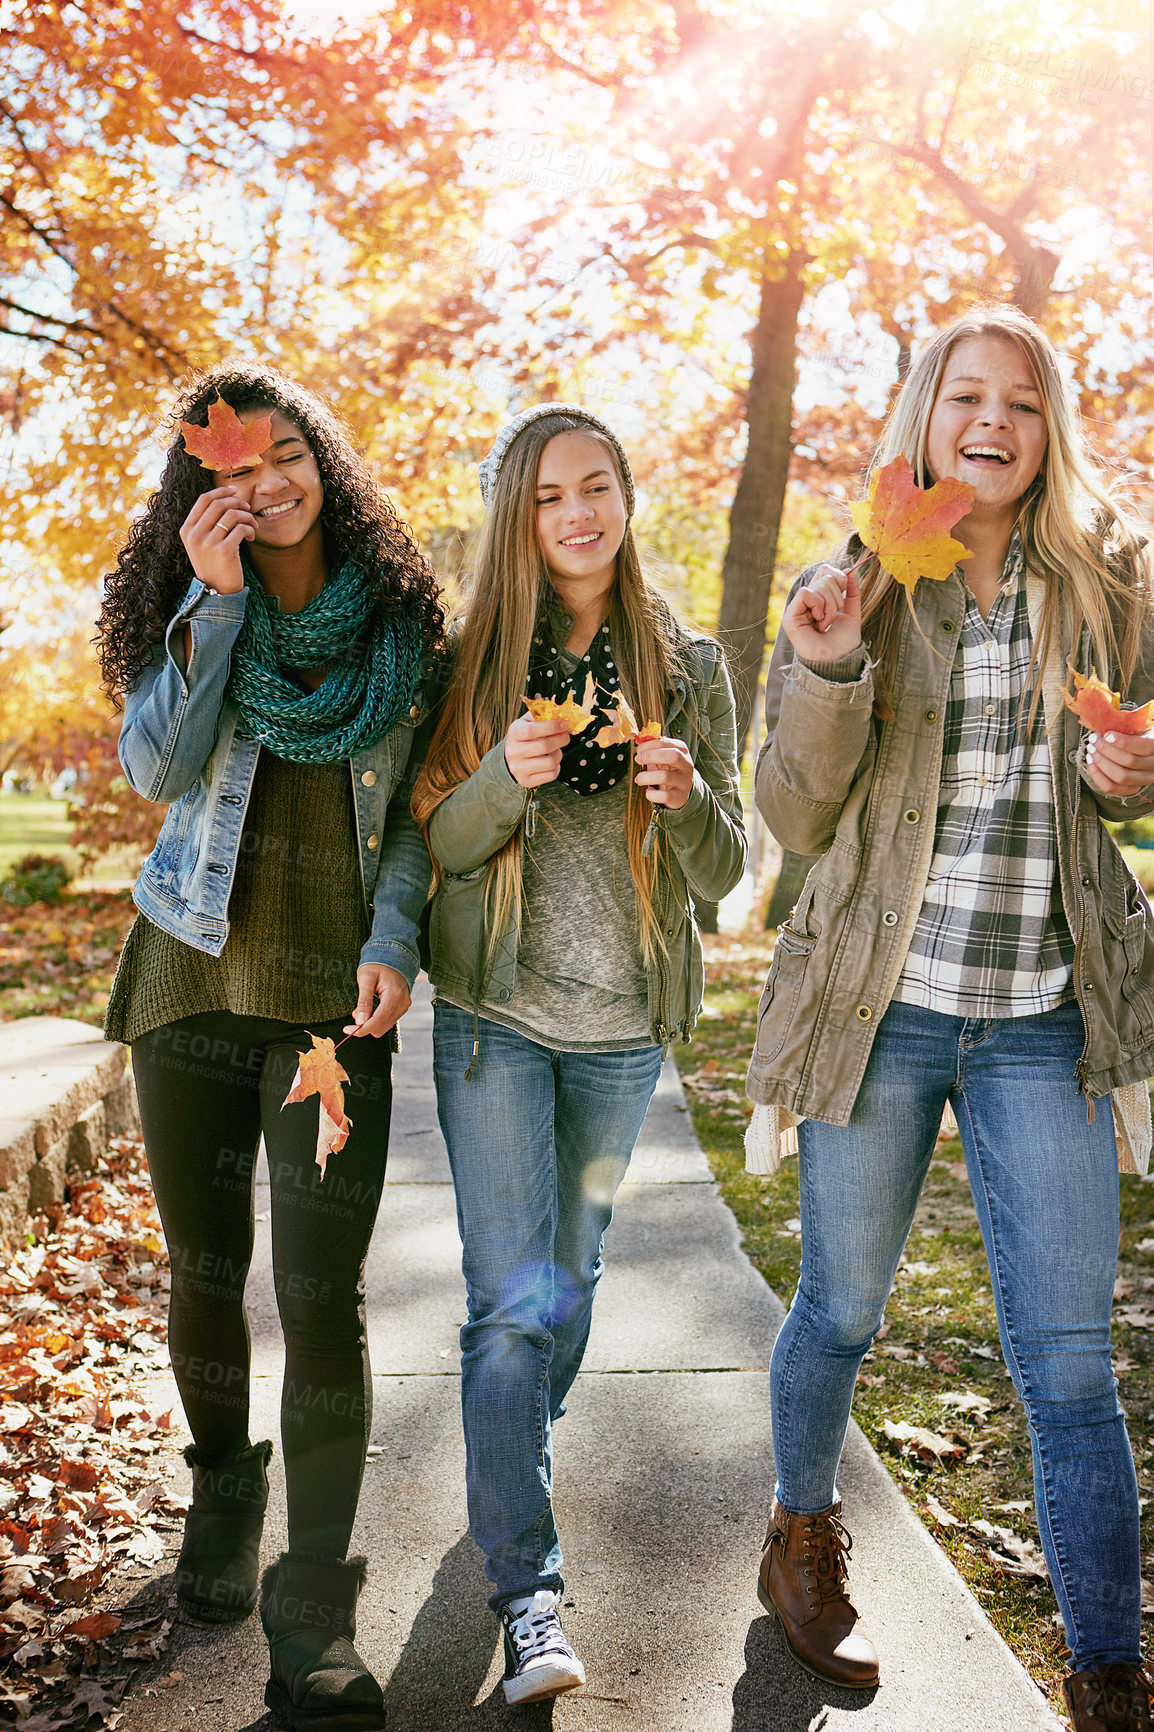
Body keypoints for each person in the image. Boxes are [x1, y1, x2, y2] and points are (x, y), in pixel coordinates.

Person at [745, 305, 1154, 1729]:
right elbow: (791, 814)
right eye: (964, 395)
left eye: (1022, 403)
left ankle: (1106, 1668)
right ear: (922, 415)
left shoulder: (1109, 583)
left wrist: (1127, 775)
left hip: (1046, 1012)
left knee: (1065, 1358)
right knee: (841, 1308)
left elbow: (1135, 765)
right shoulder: (857, 581)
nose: (991, 421)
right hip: (880, 1010)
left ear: (1049, 432)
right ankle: (798, 1535)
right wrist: (830, 668)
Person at [98, 364, 444, 1732]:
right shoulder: (190, 606)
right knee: (205, 1267)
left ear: (322, 458)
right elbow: (158, 771)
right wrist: (217, 604)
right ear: (198, 493)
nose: (264, 483)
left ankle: (314, 1613)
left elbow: (414, 810)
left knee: (319, 1297)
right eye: (229, 468)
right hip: (187, 977)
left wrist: (398, 936)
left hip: (326, 1017)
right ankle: (223, 1487)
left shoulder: (408, 625)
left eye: (283, 452)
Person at [411, 404, 746, 1704]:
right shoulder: (477, 660)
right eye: (548, 494)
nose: (575, 513)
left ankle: (514, 1458)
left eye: (594, 485)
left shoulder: (688, 662)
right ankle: (529, 1598)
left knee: (573, 1280)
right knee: (508, 1309)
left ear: (622, 496)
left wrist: (689, 799)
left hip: (620, 1039)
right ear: (521, 515)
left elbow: (728, 874)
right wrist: (501, 772)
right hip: (496, 1021)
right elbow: (439, 843)